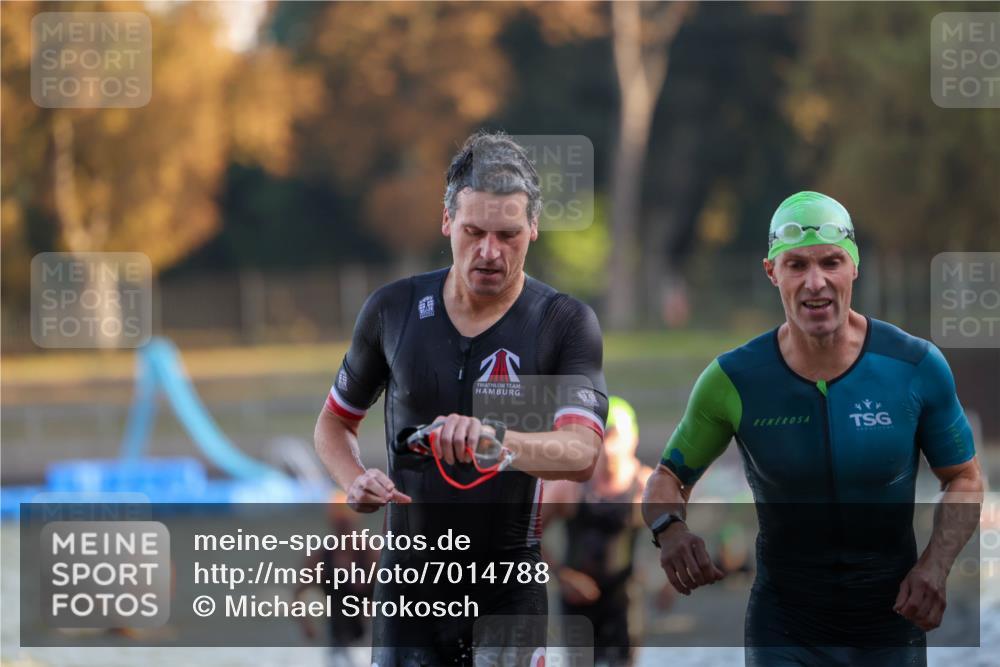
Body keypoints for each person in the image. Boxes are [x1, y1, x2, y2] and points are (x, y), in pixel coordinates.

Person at [642, 191, 984, 667]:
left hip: (889, 622)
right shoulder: (733, 380)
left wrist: (936, 565)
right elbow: (667, 478)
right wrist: (670, 528)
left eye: (831, 262)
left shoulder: (914, 365)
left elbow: (964, 477)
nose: (815, 282)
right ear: (771, 272)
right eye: (797, 265)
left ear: (854, 268)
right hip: (786, 626)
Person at [314, 131, 609, 667]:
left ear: (534, 228)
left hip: (509, 583)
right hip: (409, 585)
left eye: (508, 234)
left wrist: (498, 441)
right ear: (447, 221)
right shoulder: (393, 310)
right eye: (474, 231)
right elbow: (333, 424)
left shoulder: (562, 322)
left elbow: (583, 451)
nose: (490, 252)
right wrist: (352, 478)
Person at [543, 396, 656, 667]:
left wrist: (665, 582)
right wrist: (562, 575)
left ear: (633, 439)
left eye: (615, 437)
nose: (608, 448)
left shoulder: (646, 486)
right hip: (576, 597)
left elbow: (675, 535)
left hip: (624, 597)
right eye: (601, 438)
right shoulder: (567, 486)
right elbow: (525, 534)